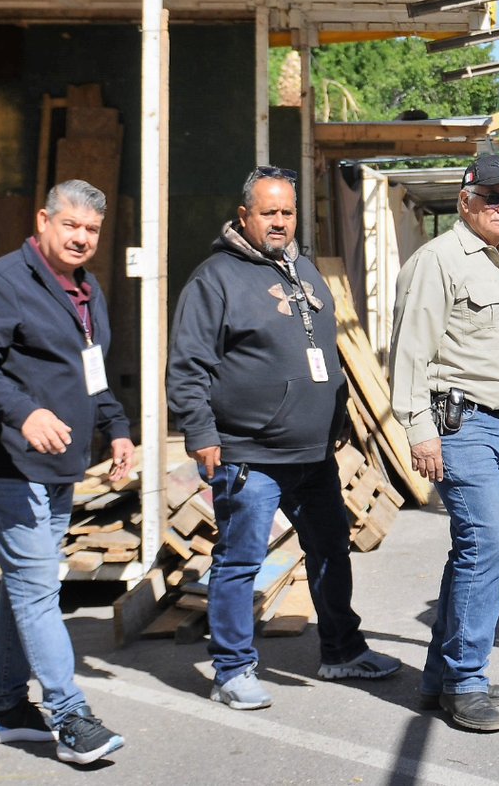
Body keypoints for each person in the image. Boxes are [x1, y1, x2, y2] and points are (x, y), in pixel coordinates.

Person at [167, 166, 399, 711]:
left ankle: (341, 651)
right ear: (244, 215)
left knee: (330, 550)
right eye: (267, 211)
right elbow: (187, 364)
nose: (279, 221)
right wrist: (200, 431)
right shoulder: (215, 279)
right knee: (239, 561)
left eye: (287, 212)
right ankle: (231, 671)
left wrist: (336, 417)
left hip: (314, 454)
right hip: (250, 454)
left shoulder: (304, 271)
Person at [388, 154, 499, 734]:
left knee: (472, 552)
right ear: (465, 200)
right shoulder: (438, 261)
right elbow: (409, 353)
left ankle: (440, 678)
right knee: (486, 548)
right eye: (494, 196)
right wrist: (419, 430)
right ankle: (466, 682)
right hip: (459, 427)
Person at [0, 179, 134, 764]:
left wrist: (117, 426)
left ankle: (4, 710)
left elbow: (92, 370)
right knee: (37, 590)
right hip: (6, 463)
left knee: (26, 586)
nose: (81, 237)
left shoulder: (86, 289)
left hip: (58, 463)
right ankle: (69, 715)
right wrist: (25, 412)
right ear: (43, 221)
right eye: (70, 225)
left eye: (91, 229)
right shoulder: (1, 281)